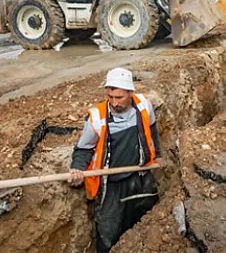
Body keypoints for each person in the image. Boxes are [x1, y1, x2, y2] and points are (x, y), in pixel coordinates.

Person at [68, 67, 165, 253]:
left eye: (119, 97)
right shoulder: (97, 118)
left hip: (141, 174)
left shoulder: (144, 105)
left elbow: (151, 130)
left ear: (130, 93)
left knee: (148, 220)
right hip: (112, 183)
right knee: (108, 231)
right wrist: (77, 168)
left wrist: (158, 155)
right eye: (110, 96)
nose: (113, 102)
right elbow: (83, 148)